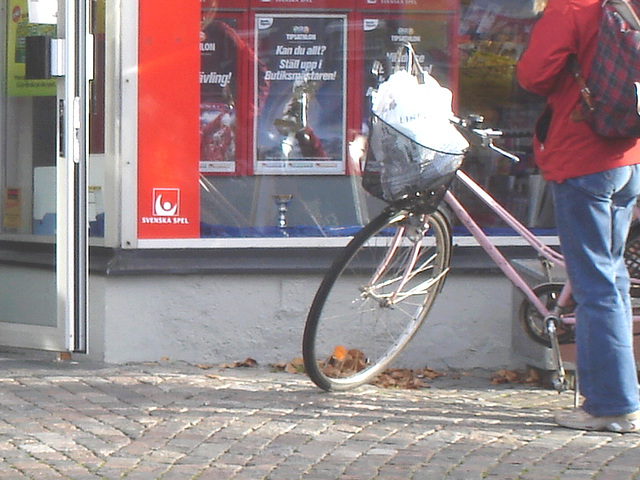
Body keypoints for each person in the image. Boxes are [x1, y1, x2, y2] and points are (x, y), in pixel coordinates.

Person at [517, 0, 640, 432]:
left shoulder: (572, 8)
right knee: (612, 280)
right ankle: (621, 394)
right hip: (626, 158)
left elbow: (533, 75)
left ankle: (612, 406)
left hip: (582, 157)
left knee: (595, 285)